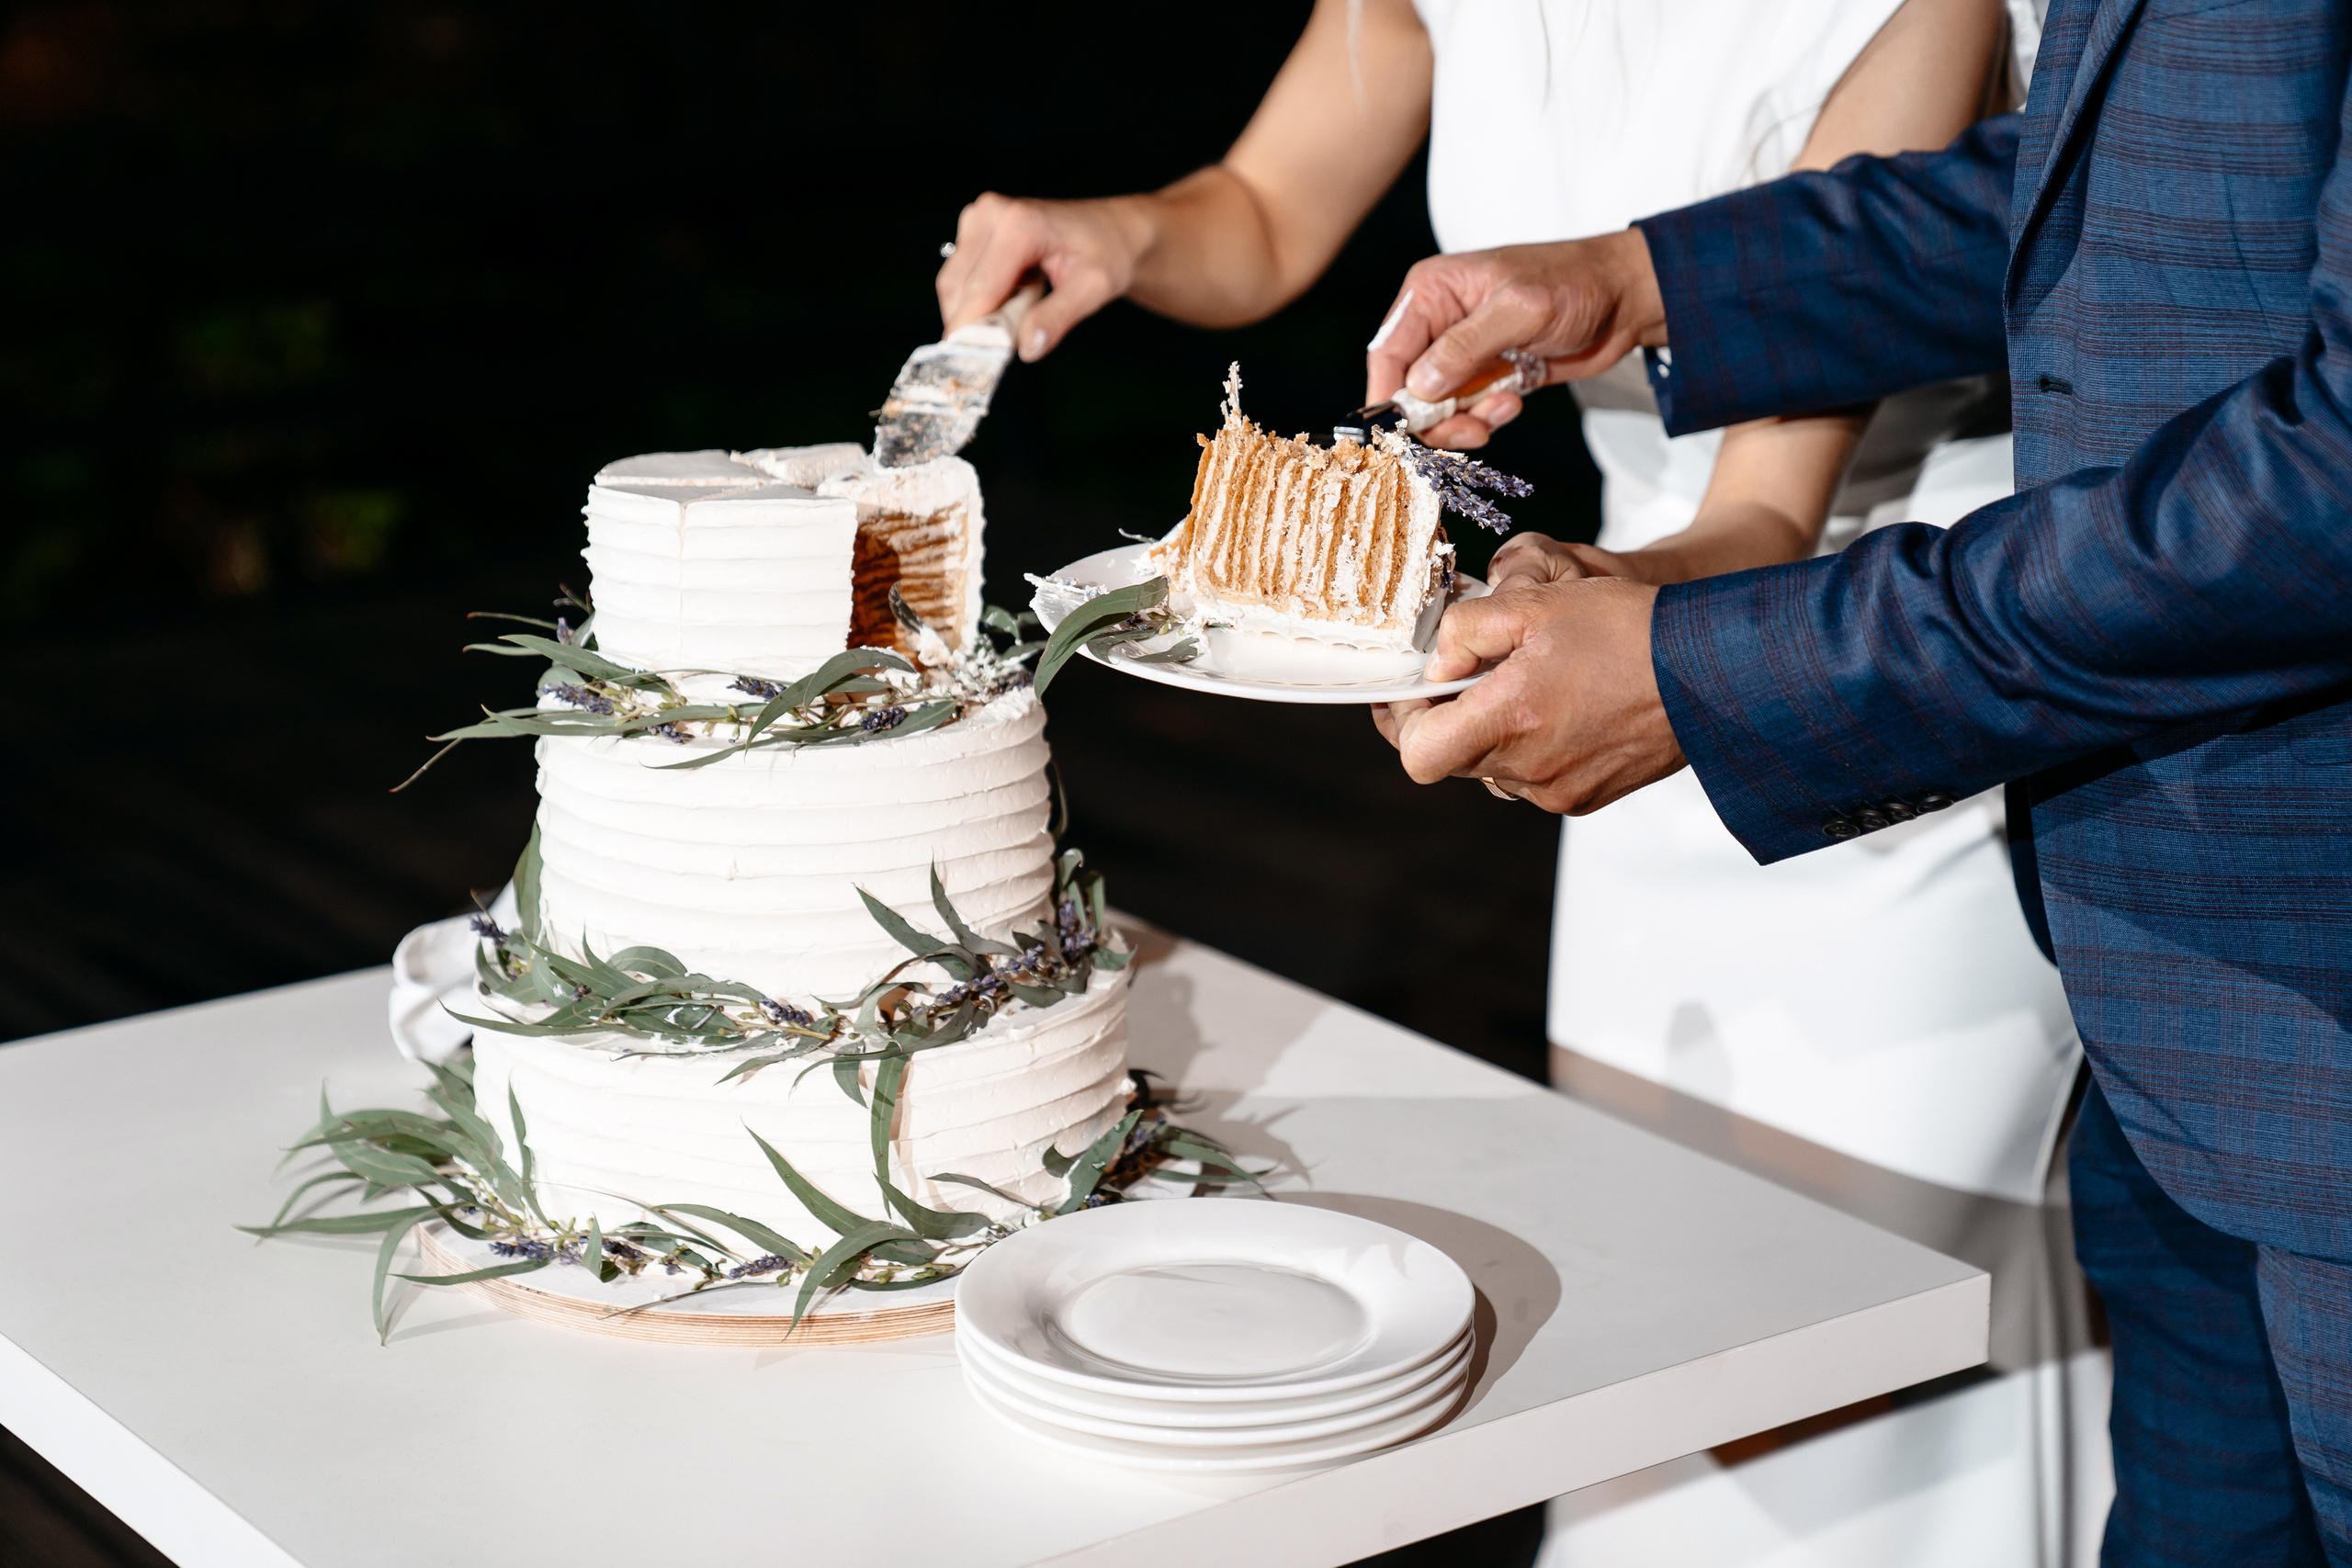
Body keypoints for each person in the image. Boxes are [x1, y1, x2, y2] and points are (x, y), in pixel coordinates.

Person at [946, 3, 2104, 1563]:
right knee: (1647, 1320)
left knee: (1842, 1347)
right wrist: (1119, 234)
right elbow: (1266, 215)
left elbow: (1758, 524)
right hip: (1625, 708)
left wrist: (1571, 610)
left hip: (1872, 688)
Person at [1368, 0, 2352, 1559]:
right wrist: (1638, 280)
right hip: (2170, 995)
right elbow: (2097, 185)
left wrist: (1714, 668)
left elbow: (2325, 488)